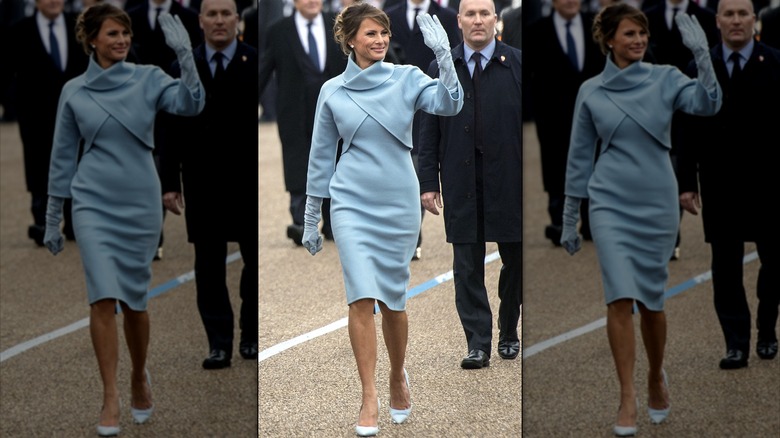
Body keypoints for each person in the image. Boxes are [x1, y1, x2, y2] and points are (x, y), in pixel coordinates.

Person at [302, 3, 463, 435]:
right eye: (370, 34)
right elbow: (321, 155)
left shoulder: (407, 77)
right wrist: (310, 215)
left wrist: (444, 56)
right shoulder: (332, 91)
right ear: (350, 39)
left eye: (384, 34)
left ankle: (396, 376)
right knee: (360, 297)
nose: (379, 41)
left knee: (394, 302)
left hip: (398, 201)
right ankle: (368, 395)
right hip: (351, 201)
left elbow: (449, 105)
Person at [560, 4, 721, 436]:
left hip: (657, 200)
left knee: (652, 302)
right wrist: (569, 217)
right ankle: (627, 395)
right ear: (609, 39)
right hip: (610, 202)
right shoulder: (591, 91)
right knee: (618, 298)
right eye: (629, 34)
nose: (638, 41)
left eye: (642, 34)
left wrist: (702, 54)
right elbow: (578, 157)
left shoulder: (666, 78)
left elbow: (708, 104)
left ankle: (655, 375)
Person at [43, 4, 204, 435]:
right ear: (92, 39)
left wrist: (185, 55)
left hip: (140, 200)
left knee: (135, 302)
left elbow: (191, 104)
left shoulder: (149, 78)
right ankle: (110, 395)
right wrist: (51, 217)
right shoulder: (74, 91)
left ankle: (138, 375)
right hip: (93, 202)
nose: (120, 41)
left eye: (125, 34)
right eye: (112, 34)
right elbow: (61, 157)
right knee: (101, 298)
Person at [418, 0, 521, 370]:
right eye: (470, 14)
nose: (478, 21)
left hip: (510, 181)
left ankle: (509, 329)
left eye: (485, 14)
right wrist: (428, 182)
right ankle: (478, 343)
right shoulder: (442, 66)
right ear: (458, 20)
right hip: (461, 180)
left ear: (497, 20)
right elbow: (428, 129)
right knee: (467, 267)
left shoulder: (518, 65)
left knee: (518, 262)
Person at [678, 0, 779, 369]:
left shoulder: (777, 64)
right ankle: (736, 342)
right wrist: (686, 182)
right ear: (717, 20)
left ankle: (767, 328)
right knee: (726, 269)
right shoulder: (699, 67)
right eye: (729, 14)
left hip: (770, 185)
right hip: (720, 184)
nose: (736, 21)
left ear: (755, 19)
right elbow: (687, 129)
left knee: (775, 265)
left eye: (743, 13)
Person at [161, 0, 258, 369]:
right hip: (202, 182)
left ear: (237, 19)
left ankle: (251, 335)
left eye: (226, 13)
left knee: (254, 266)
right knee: (209, 268)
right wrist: (169, 182)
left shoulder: (254, 61)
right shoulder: (182, 65)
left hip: (247, 183)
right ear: (200, 21)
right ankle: (219, 343)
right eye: (212, 14)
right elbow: (170, 127)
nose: (219, 21)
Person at [259, 0, 346, 246]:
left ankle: (332, 223)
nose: (311, 1)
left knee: (336, 162)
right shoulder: (278, 30)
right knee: (299, 166)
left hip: (335, 112)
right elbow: (263, 69)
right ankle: (301, 222)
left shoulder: (337, 25)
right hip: (294, 114)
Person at [3, 0, 89, 247]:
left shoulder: (79, 25)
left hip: (75, 113)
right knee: (39, 165)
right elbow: (6, 71)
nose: (53, 1)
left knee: (77, 163)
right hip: (35, 116)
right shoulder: (20, 30)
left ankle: (74, 222)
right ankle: (42, 221)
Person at [125, 0, 203, 260]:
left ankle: (153, 234)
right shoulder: (130, 14)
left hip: (175, 104)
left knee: (160, 167)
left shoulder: (189, 17)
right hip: (137, 105)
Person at [383, 0, 460, 260]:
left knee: (418, 169)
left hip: (432, 103)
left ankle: (412, 234)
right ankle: (402, 234)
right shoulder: (388, 15)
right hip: (395, 107)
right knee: (396, 174)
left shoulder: (447, 17)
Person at [523, 0, 604, 247]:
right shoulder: (537, 30)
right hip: (552, 116)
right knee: (556, 166)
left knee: (594, 163)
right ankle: (559, 222)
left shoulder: (596, 25)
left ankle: (591, 222)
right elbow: (527, 75)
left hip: (593, 113)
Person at [643, 0, 719, 260]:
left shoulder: (706, 17)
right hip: (654, 105)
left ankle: (670, 233)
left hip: (691, 105)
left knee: (678, 167)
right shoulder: (647, 14)